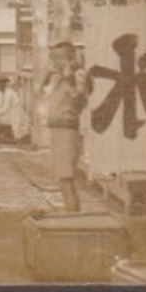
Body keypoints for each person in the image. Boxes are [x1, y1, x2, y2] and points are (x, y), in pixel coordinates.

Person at [41, 39, 91, 212]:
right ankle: (71, 213)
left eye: (59, 57)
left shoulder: (77, 75)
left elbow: (80, 99)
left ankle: (73, 215)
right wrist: (50, 75)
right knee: (62, 178)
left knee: (66, 177)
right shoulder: (58, 78)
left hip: (67, 129)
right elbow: (38, 90)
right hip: (57, 129)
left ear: (70, 58)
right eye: (53, 57)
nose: (55, 62)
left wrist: (70, 76)